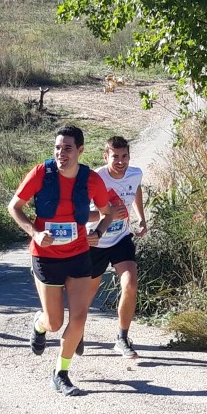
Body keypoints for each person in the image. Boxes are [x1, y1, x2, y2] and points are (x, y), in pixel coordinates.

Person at [8, 125, 125, 396]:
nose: (61, 154)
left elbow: (107, 212)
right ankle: (39, 324)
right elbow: (14, 207)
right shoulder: (41, 173)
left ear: (80, 151)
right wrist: (35, 233)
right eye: (58, 148)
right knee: (54, 323)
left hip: (79, 254)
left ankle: (60, 373)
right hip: (46, 257)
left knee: (80, 317)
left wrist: (97, 233)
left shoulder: (91, 180)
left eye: (68, 148)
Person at [86, 136, 147, 358]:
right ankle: (76, 332)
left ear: (129, 156)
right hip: (97, 240)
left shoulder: (135, 173)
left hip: (121, 238)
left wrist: (141, 217)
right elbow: (82, 211)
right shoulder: (96, 178)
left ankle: (122, 337)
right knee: (88, 294)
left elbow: (136, 189)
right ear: (106, 157)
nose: (120, 162)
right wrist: (108, 212)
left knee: (130, 283)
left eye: (124, 157)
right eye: (115, 157)